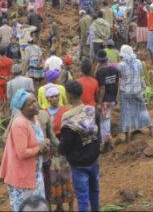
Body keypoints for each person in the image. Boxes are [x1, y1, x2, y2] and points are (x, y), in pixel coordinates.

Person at [0, 90, 50, 211]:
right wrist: (40, 148)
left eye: (34, 101)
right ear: (22, 108)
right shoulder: (20, 123)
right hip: (22, 177)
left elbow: (40, 140)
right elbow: (22, 153)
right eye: (30, 104)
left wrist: (45, 143)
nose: (35, 104)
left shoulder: (35, 119)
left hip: (35, 174)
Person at [59, 81, 100, 212]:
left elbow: (65, 145)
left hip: (78, 164)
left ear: (69, 97)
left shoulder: (67, 118)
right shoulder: (92, 111)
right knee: (95, 192)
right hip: (94, 159)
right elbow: (99, 134)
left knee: (82, 197)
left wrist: (60, 149)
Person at [42, 83, 74, 211]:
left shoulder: (65, 111)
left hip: (64, 149)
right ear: (47, 99)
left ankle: (71, 204)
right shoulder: (44, 113)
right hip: (51, 151)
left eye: (56, 96)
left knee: (67, 176)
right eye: (52, 97)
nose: (54, 99)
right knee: (54, 177)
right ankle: (59, 205)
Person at [118, 45, 153, 142]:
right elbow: (141, 76)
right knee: (142, 110)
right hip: (137, 90)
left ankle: (127, 137)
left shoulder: (121, 65)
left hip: (126, 92)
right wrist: (144, 87)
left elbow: (119, 77)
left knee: (126, 113)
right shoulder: (138, 63)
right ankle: (150, 130)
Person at [94, 50, 119, 152]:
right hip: (112, 98)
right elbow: (117, 84)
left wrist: (99, 102)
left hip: (105, 100)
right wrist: (116, 98)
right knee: (106, 118)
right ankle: (107, 140)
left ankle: (106, 141)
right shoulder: (114, 69)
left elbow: (102, 88)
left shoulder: (100, 72)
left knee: (104, 120)